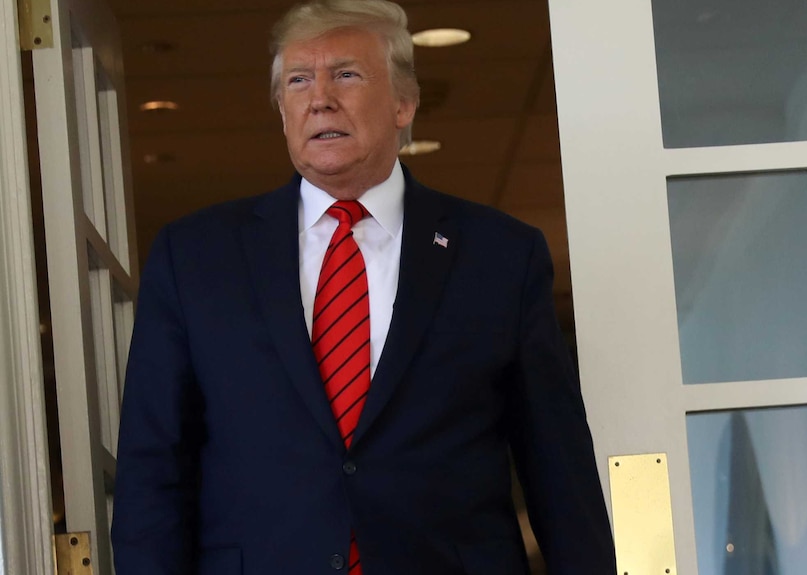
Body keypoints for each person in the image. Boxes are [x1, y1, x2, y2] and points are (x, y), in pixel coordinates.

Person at [110, 1, 616, 573]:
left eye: (345, 74)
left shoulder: (499, 254)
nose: (319, 97)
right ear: (282, 110)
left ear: (404, 102)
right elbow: (153, 466)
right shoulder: (195, 257)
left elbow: (556, 462)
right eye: (298, 80)